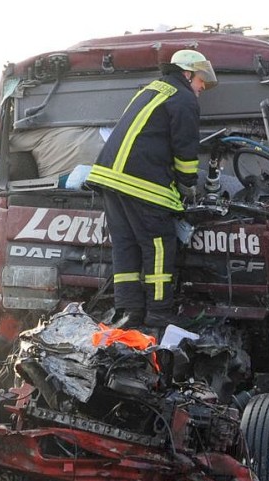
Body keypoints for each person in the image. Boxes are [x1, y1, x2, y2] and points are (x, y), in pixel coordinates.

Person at [86, 50, 217, 329]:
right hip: (142, 184)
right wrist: (189, 185)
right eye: (201, 80)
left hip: (110, 178)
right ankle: (159, 312)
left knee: (125, 245)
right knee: (158, 245)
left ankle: (129, 312)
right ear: (187, 74)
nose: (203, 86)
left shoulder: (150, 91)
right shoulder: (183, 99)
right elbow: (185, 149)